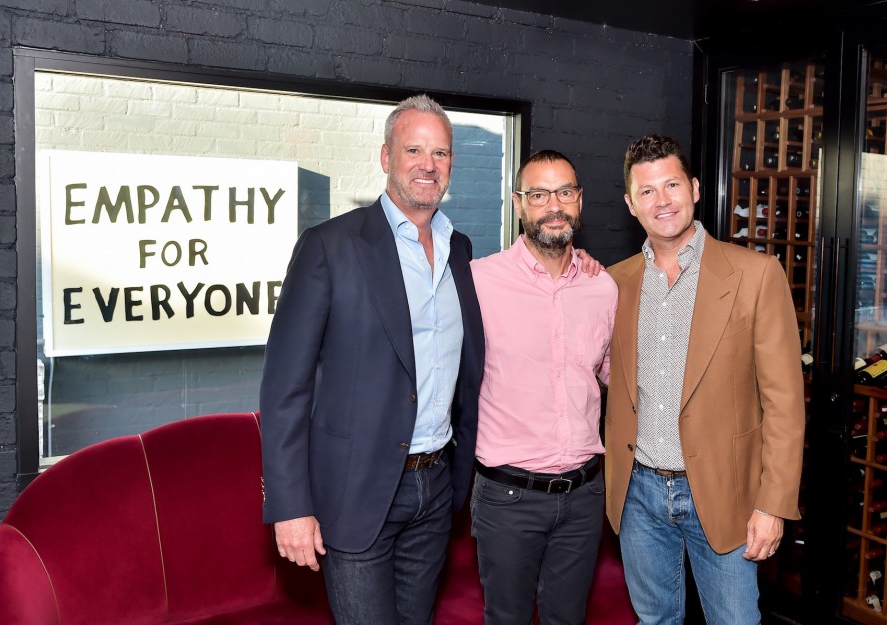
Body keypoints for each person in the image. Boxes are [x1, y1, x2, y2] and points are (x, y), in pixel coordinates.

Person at [259, 94, 484, 625]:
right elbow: (284, 387)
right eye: (414, 149)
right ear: (386, 157)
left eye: (441, 153)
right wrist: (290, 505)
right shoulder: (329, 246)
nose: (428, 165)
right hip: (356, 490)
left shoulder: (462, 251)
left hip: (436, 488)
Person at [605, 134, 805, 624]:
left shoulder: (756, 275)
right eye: (647, 191)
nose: (663, 200)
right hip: (639, 496)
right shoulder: (612, 284)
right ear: (631, 205)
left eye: (672, 184)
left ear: (695, 188)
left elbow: (784, 402)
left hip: (724, 494)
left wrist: (773, 504)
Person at [470, 150, 618, 625]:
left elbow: (615, 375)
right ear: (518, 204)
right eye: (538, 194)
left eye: (565, 192)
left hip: (583, 497)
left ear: (580, 200)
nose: (553, 205)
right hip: (507, 498)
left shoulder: (603, 288)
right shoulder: (479, 281)